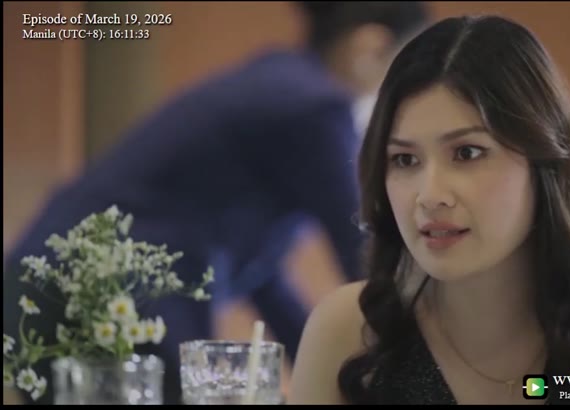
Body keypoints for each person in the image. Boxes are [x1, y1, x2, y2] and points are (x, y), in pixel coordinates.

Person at [2, 2, 430, 404]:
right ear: (369, 48)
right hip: (99, 296)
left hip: (39, 291)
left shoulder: (278, 89)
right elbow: (368, 252)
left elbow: (264, 276)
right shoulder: (312, 108)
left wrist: (321, 367)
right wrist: (427, 360)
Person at [288, 15, 570, 405]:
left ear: (543, 162)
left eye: (467, 153)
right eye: (404, 159)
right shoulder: (348, 333)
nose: (430, 195)